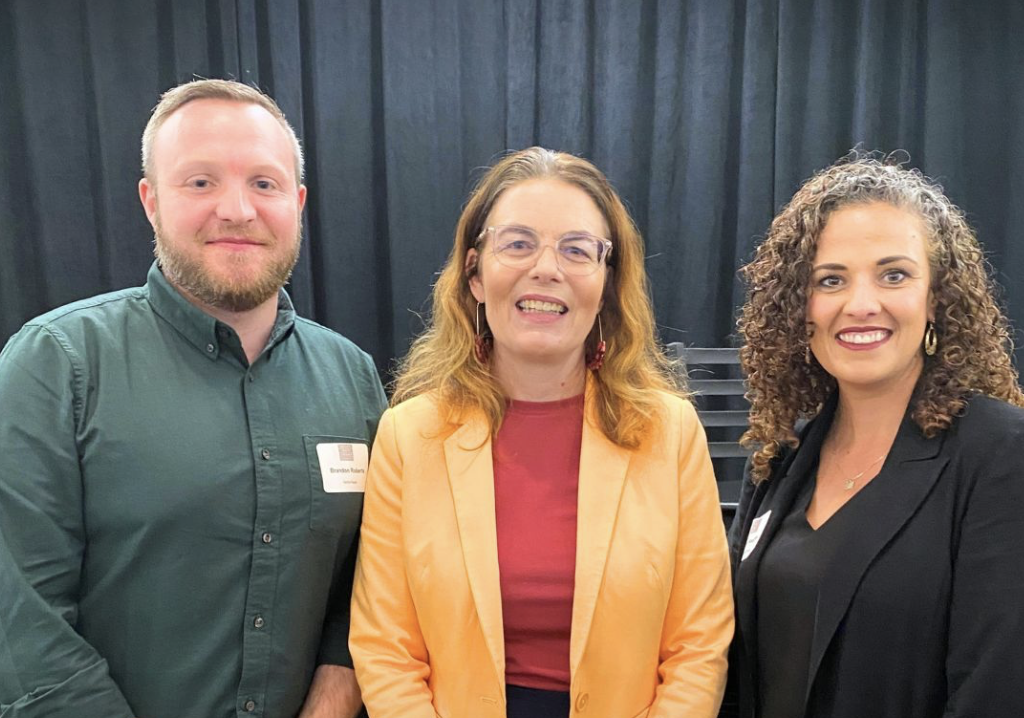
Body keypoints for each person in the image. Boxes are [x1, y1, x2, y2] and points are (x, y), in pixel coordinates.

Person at [0, 79, 386, 718]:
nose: (236, 210)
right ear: (150, 201)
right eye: (200, 182)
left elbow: (372, 574)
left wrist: (339, 680)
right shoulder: (56, 364)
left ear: (298, 201)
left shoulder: (352, 376)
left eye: (264, 183)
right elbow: (19, 617)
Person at [349, 147, 733, 718]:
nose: (547, 268)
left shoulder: (669, 433)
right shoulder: (409, 437)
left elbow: (698, 645)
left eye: (577, 249)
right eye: (518, 244)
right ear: (475, 274)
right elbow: (386, 650)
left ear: (607, 281)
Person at [724, 155, 1024, 718]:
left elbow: (997, 689)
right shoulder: (781, 457)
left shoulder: (1002, 454)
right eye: (830, 280)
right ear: (800, 308)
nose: (861, 305)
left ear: (936, 297)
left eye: (894, 275)